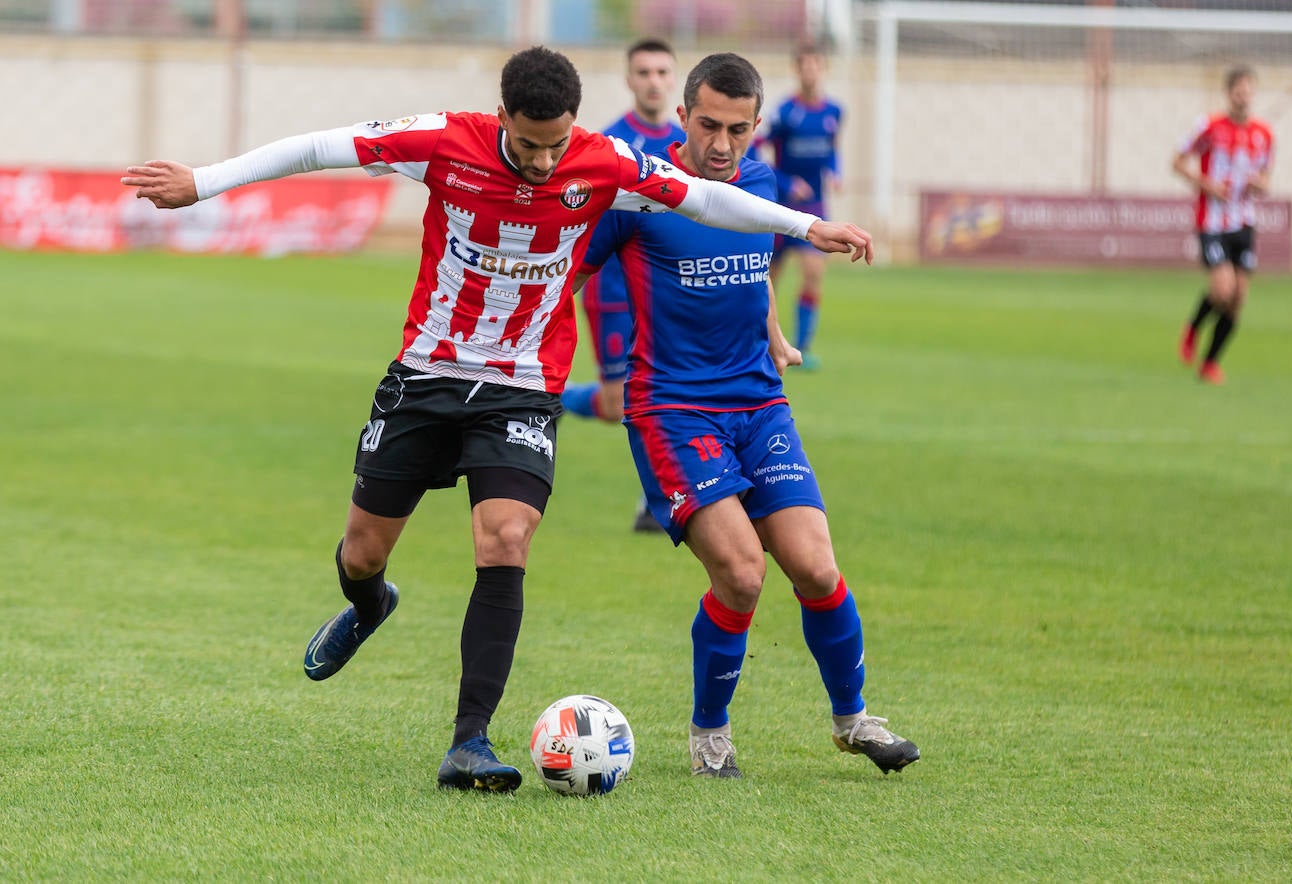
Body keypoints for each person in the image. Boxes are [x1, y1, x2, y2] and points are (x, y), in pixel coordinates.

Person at [120, 45, 875, 794]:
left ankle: (470, 742)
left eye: (557, 145)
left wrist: (807, 228)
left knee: (505, 538)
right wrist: (204, 182)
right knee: (361, 554)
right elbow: (324, 145)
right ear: (504, 116)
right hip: (426, 375)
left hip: (523, 387)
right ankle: (371, 602)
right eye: (529, 144)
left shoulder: (604, 160)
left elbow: (706, 199)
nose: (546, 163)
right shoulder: (447, 140)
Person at [578, 52, 918, 779]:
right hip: (671, 410)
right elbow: (570, 265)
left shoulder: (762, 186)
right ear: (682, 118)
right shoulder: (642, 191)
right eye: (708, 126)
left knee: (816, 567)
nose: (721, 144)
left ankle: (854, 720)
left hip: (760, 404)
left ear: (757, 125)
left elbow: (753, 270)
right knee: (740, 573)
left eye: (737, 128)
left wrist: (775, 335)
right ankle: (709, 735)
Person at [560, 37, 685, 533]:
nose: (653, 81)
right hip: (613, 293)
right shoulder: (608, 144)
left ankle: (658, 501)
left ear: (672, 79)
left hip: (667, 296)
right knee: (618, 405)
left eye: (661, 72)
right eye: (644, 72)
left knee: (669, 395)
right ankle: (560, 399)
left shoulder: (686, 144)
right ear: (630, 79)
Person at [1173, 65, 1274, 385]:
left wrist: (1261, 184)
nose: (1243, 97)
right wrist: (1207, 184)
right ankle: (1193, 327)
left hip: (1244, 223)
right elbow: (1177, 161)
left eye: (1248, 91)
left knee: (1238, 298)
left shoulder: (1264, 134)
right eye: (1238, 91)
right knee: (1222, 288)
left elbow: (1266, 179)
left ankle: (1210, 363)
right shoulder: (1210, 126)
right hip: (1212, 222)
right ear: (1228, 93)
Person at [761, 41, 843, 371]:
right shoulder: (784, 113)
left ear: (823, 69)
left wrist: (835, 171)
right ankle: (764, 341)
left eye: (816, 64)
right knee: (767, 279)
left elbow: (833, 149)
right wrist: (785, 182)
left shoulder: (834, 112)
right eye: (805, 64)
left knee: (813, 274)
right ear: (797, 69)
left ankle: (803, 347)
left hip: (816, 204)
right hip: (782, 206)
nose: (810, 70)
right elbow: (759, 152)